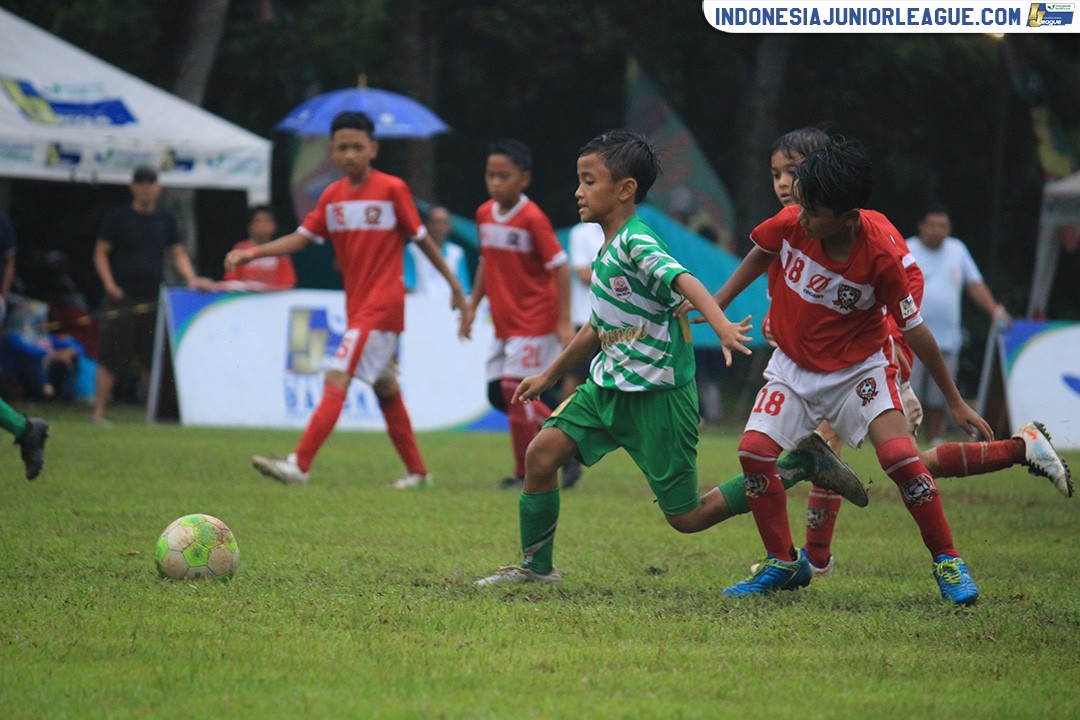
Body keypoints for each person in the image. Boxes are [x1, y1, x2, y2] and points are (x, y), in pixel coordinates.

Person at [713, 129, 1073, 580]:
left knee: (895, 461)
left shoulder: (875, 240)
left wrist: (897, 354)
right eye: (777, 174)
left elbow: (905, 302)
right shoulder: (796, 224)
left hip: (871, 362)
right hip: (813, 362)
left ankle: (826, 557)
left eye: (794, 171)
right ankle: (1019, 449)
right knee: (874, 460)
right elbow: (775, 268)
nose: (785, 184)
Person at [474, 129, 761, 585]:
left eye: (589, 181)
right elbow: (598, 327)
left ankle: (795, 467)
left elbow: (684, 280)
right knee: (541, 455)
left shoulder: (636, 242)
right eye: (579, 180)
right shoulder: (608, 247)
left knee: (687, 517)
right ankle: (536, 568)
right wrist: (549, 374)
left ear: (625, 190)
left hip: (659, 397)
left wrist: (721, 325)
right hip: (606, 388)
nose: (578, 191)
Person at [225, 111, 468, 489]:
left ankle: (299, 465)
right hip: (357, 306)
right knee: (384, 386)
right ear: (332, 152)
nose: (350, 154)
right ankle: (419, 473)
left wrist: (454, 285)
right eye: (342, 147)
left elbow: (422, 240)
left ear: (374, 148)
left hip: (383, 304)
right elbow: (302, 238)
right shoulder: (332, 196)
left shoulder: (392, 189)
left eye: (358, 146)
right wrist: (251, 254)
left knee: (338, 375)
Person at [457, 139, 574, 490]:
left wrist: (564, 321)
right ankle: (566, 443)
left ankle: (528, 472)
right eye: (490, 175)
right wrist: (472, 305)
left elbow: (561, 266)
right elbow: (485, 262)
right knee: (499, 393)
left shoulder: (532, 218)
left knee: (514, 391)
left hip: (535, 319)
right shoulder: (483, 214)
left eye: (503, 176)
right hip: (504, 322)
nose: (495, 183)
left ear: (523, 179)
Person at [92, 165, 213, 424]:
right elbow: (101, 252)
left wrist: (191, 279)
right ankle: (98, 412)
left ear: (158, 187)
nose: (146, 187)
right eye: (141, 182)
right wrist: (109, 284)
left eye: (151, 182)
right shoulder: (118, 217)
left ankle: (151, 415)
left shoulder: (165, 219)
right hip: (121, 297)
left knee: (152, 359)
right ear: (132, 187)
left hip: (153, 298)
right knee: (111, 356)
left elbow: (177, 252)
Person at [907, 205, 1010, 445]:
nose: (937, 230)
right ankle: (904, 439)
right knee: (908, 392)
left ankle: (934, 440)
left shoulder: (957, 250)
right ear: (921, 226)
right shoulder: (906, 248)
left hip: (946, 338)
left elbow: (974, 285)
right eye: (932, 225)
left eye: (943, 225)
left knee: (939, 396)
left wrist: (994, 309)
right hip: (910, 336)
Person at [557, 220, 605, 488]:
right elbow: (583, 274)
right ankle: (566, 450)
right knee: (573, 384)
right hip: (584, 319)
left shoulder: (629, 230)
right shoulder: (581, 233)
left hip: (618, 324)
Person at [221, 205, 296, 291]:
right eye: (258, 221)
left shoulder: (280, 251)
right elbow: (231, 281)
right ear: (250, 226)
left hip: (273, 300)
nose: (262, 225)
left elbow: (288, 284)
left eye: (267, 221)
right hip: (245, 299)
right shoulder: (240, 249)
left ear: (275, 225)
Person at [403, 205, 471, 298]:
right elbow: (409, 286)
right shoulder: (412, 250)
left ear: (449, 226)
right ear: (427, 224)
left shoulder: (457, 253)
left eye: (443, 222)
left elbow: (464, 288)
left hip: (450, 307)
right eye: (435, 222)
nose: (439, 227)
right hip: (420, 307)